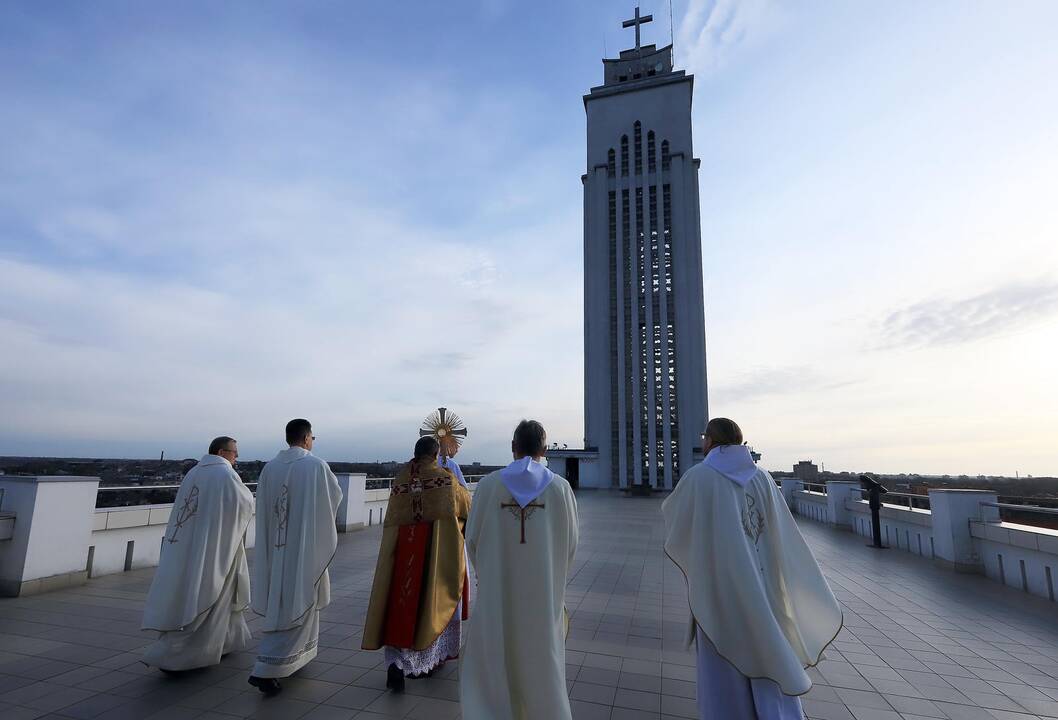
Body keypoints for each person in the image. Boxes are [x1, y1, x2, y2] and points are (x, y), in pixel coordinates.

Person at [662, 418, 843, 720]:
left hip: (722, 586)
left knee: (725, 654)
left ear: (710, 440)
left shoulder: (700, 477)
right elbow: (779, 530)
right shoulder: (763, 477)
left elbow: (677, 518)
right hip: (765, 584)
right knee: (769, 646)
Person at [460, 420, 578, 720]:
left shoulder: (488, 485)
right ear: (545, 449)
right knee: (542, 655)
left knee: (496, 651)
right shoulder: (560, 488)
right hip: (543, 593)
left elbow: (471, 539)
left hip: (498, 592)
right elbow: (571, 544)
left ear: (513, 448)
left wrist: (487, 573)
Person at [361, 436, 472, 691]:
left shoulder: (401, 479)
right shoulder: (445, 480)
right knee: (428, 605)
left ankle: (397, 664)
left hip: (402, 558)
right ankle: (427, 661)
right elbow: (467, 506)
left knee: (400, 606)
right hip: (433, 557)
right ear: (435, 455)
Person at [141, 436, 254, 672]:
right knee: (211, 594)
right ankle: (183, 655)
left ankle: (224, 642)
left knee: (188, 592)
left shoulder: (194, 472)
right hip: (215, 548)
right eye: (235, 453)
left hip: (189, 546)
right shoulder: (225, 474)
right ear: (223, 452)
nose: (237, 458)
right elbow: (244, 504)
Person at [248, 419, 342, 696]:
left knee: (285, 599)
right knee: (299, 602)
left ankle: (299, 656)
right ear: (306, 438)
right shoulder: (315, 466)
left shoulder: (270, 468)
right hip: (303, 549)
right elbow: (334, 498)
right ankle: (267, 668)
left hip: (277, 549)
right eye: (313, 436)